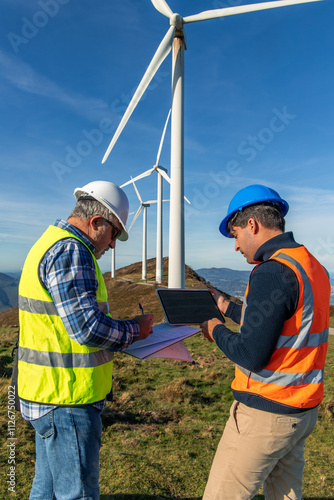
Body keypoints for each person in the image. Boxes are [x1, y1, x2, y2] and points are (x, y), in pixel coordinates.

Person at [17, 180, 154, 500]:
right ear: (96, 223)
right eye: (115, 233)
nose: (114, 244)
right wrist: (136, 330)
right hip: (67, 400)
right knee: (77, 494)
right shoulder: (71, 250)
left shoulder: (49, 242)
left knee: (47, 489)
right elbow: (87, 329)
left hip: (46, 392)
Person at [200, 184, 330, 500]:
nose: (235, 247)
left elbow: (251, 353)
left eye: (234, 235)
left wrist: (213, 328)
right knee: (284, 495)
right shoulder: (310, 265)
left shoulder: (271, 272)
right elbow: (277, 321)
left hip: (267, 413)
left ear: (253, 225)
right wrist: (226, 308)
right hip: (302, 409)